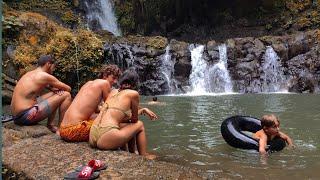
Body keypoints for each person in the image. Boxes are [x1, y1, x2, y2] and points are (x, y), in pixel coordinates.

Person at [89, 68, 158, 159]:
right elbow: (134, 120)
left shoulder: (113, 92)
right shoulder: (133, 94)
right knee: (139, 125)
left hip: (92, 135)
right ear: (135, 83)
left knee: (124, 124)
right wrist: (142, 110)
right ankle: (143, 154)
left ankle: (130, 152)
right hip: (106, 137)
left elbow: (116, 116)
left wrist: (142, 110)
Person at [59, 65, 121, 142]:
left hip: (62, 129)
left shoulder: (89, 83)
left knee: (98, 117)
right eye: (113, 78)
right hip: (73, 131)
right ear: (105, 75)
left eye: (117, 79)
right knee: (114, 122)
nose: (115, 82)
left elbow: (96, 110)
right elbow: (110, 108)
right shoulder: (105, 83)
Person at [11, 55, 72, 133]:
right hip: (25, 116)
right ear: (48, 64)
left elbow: (45, 85)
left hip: (17, 116)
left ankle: (50, 125)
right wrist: (59, 89)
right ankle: (62, 129)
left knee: (55, 94)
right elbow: (68, 89)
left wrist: (53, 89)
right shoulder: (44, 76)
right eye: (54, 66)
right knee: (66, 95)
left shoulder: (30, 73)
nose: (54, 69)